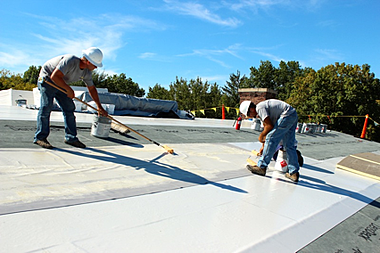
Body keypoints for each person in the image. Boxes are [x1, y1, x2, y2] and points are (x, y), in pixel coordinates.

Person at [34, 47, 108, 149]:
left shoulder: (86, 72)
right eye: (95, 65)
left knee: (69, 108)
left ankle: (71, 138)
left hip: (61, 83)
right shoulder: (70, 60)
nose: (96, 67)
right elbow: (54, 76)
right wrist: (69, 89)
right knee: (46, 107)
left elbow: (92, 89)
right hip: (47, 79)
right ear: (87, 62)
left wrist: (99, 107)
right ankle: (40, 137)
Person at [239, 99, 300, 182]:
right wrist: (263, 146)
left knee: (271, 139)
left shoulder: (259, 108)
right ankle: (293, 172)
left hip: (286, 115)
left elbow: (269, 126)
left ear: (251, 109)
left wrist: (261, 136)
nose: (249, 116)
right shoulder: (261, 111)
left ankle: (262, 167)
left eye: (248, 114)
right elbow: (266, 127)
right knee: (289, 145)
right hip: (292, 114)